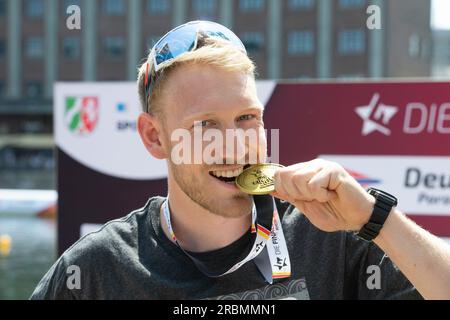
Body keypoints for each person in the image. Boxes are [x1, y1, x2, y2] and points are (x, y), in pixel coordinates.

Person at [31, 21, 450, 300]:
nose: (234, 146)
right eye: (206, 125)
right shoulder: (98, 268)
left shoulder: (330, 233)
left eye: (247, 118)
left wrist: (376, 220)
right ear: (154, 137)